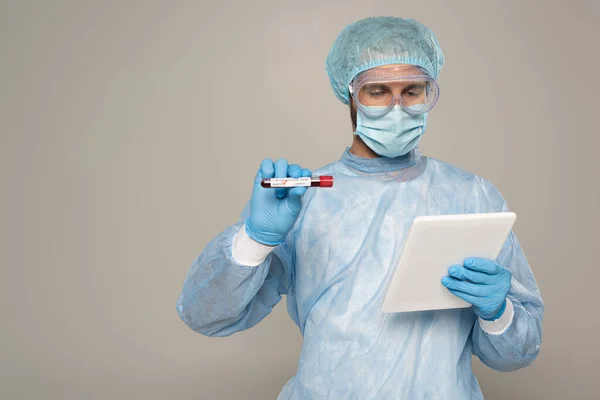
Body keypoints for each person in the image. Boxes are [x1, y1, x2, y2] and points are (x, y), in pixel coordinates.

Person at [177, 16, 543, 399]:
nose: (397, 107)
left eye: (413, 91)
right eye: (378, 91)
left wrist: (499, 313)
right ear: (350, 95)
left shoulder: (472, 197)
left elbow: (516, 354)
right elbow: (205, 315)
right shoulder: (306, 197)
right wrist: (254, 241)